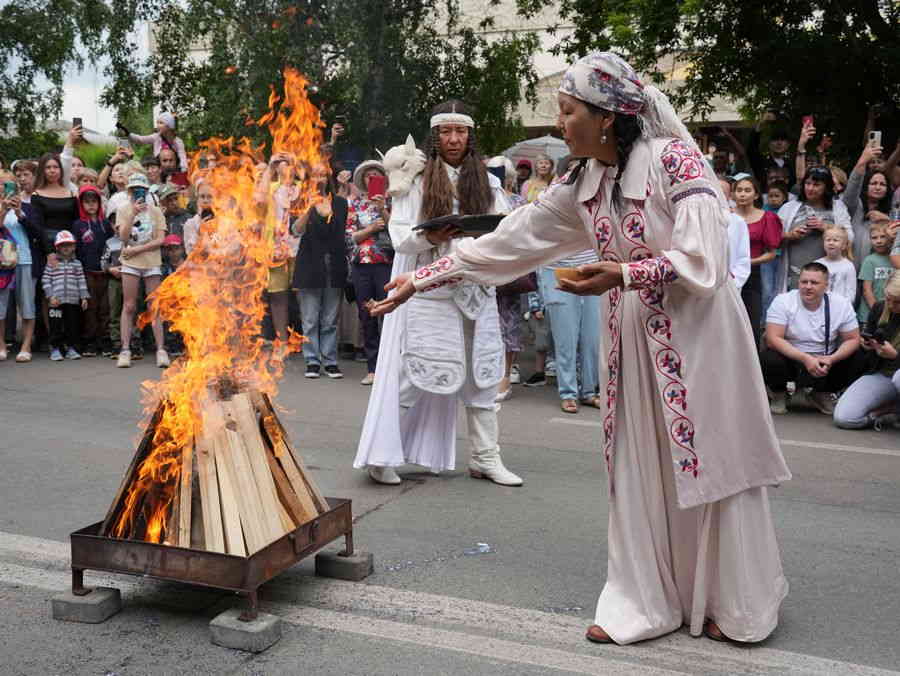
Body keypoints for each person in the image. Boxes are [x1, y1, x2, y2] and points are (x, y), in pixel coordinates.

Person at [371, 53, 790, 644]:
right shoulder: (583, 180)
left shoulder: (675, 160)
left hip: (699, 341)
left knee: (711, 459)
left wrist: (624, 275)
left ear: (606, 116)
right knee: (638, 464)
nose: (560, 124)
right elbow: (514, 239)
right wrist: (424, 278)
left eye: (568, 112)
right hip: (630, 345)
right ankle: (646, 602)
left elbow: (706, 258)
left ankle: (735, 603)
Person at [354, 100, 522, 488]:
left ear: (470, 135)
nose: (453, 138)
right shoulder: (415, 181)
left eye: (460, 131)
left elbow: (507, 230)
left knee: (482, 377)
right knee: (416, 374)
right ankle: (383, 455)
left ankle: (485, 458)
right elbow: (399, 238)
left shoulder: (490, 183)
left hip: (477, 291)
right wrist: (430, 235)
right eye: (446, 131)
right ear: (435, 137)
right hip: (429, 292)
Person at [763, 262, 863, 415]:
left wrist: (832, 358)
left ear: (826, 286)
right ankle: (779, 393)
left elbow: (853, 339)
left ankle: (821, 393)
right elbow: (772, 338)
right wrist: (805, 358)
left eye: (814, 282)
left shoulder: (841, 304)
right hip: (791, 358)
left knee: (859, 355)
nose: (808, 286)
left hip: (825, 360)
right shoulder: (783, 301)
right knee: (769, 355)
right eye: (804, 282)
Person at [291, 163, 350, 379]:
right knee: (309, 318)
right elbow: (296, 230)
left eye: (323, 174)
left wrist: (328, 212)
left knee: (330, 319)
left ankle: (330, 361)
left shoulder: (341, 203)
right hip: (309, 265)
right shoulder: (301, 201)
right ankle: (312, 361)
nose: (319, 178)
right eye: (315, 175)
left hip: (333, 265)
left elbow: (338, 231)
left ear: (328, 177)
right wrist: (310, 207)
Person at [833, 271, 900, 428]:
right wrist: (866, 344)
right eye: (889, 299)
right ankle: (887, 411)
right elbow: (868, 335)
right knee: (845, 418)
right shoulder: (879, 308)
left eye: (897, 302)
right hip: (882, 374)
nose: (890, 305)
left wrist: (895, 356)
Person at [347, 159, 393, 385]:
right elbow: (350, 237)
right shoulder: (355, 204)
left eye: (376, 174)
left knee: (388, 313)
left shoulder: (393, 201)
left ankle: (390, 366)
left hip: (385, 263)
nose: (371, 178)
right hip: (361, 264)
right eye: (368, 175)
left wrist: (383, 209)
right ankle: (372, 367)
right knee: (367, 315)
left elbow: (399, 232)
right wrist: (370, 229)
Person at [116, 173, 168, 368]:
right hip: (130, 264)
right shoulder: (123, 209)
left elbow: (160, 239)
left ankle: (161, 349)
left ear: (147, 191)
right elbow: (123, 237)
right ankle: (125, 349)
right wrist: (133, 213)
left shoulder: (155, 211)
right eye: (134, 190)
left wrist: (137, 249)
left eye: (142, 190)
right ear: (129, 191)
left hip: (151, 262)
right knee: (129, 305)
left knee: (154, 306)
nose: (138, 193)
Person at [777, 165, 852, 292]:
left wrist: (826, 228)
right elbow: (772, 237)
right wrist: (790, 235)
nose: (810, 188)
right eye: (807, 183)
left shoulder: (838, 207)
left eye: (816, 184)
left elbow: (850, 237)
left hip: (828, 274)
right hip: (795, 274)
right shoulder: (789, 208)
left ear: (826, 187)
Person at [733, 175, 782, 347]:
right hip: (726, 275)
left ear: (756, 195)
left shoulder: (767, 217)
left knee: (751, 321)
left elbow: (772, 253)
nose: (743, 194)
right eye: (739, 190)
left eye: (747, 190)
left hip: (752, 274)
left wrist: (747, 263)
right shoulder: (725, 216)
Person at [72, 185, 114, 357]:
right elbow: (76, 249)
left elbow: (113, 246)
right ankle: (89, 342)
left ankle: (104, 341)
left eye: (94, 201)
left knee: (105, 308)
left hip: (104, 272)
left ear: (99, 203)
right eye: (86, 202)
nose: (91, 205)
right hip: (87, 272)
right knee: (90, 308)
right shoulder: (78, 225)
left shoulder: (105, 224)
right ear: (81, 204)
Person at [1, 186, 39, 362]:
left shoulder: (27, 206)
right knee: (1, 306)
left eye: (9, 187)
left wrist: (19, 212)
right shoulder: (2, 207)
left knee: (27, 304)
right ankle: (1, 345)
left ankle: (26, 345)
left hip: (24, 259)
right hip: (3, 262)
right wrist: (3, 210)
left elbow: (35, 231)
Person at [42, 230, 89, 361]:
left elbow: (81, 281)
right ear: (57, 247)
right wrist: (50, 296)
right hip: (56, 302)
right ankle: (55, 348)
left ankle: (71, 348)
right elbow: (45, 280)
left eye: (69, 245)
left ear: (74, 246)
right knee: (55, 325)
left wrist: (84, 297)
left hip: (73, 301)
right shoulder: (52, 263)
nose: (66, 248)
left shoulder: (77, 264)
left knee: (72, 325)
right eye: (63, 245)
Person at [843, 143, 892, 264]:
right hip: (852, 272)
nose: (878, 187)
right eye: (873, 183)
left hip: (879, 275)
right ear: (865, 186)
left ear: (887, 190)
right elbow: (853, 187)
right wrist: (862, 162)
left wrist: (888, 220)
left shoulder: (891, 211)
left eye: (882, 184)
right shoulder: (855, 205)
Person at [121, 112, 189, 174]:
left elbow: (182, 156)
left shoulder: (178, 142)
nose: (157, 126)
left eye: (161, 123)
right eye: (157, 123)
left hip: (173, 169)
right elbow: (141, 139)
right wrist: (128, 134)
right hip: (159, 169)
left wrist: (184, 169)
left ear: (169, 126)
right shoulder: (156, 137)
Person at [858, 223, 895, 323]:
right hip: (870, 315)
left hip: (891, 314)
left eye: (883, 237)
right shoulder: (869, 260)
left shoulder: (895, 259)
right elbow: (867, 290)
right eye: (874, 238)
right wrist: (878, 312)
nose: (879, 241)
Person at [100, 219, 124, 355]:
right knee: (114, 311)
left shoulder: (134, 239)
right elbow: (103, 261)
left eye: (120, 221)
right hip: (114, 281)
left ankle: (134, 341)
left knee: (132, 310)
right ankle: (115, 342)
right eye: (114, 222)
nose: (117, 225)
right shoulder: (109, 242)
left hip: (130, 278)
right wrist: (110, 269)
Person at [815, 227, 856, 303]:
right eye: (828, 240)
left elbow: (851, 293)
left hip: (840, 309)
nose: (831, 243)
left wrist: (843, 308)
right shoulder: (817, 264)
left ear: (844, 246)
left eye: (835, 240)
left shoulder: (848, 266)